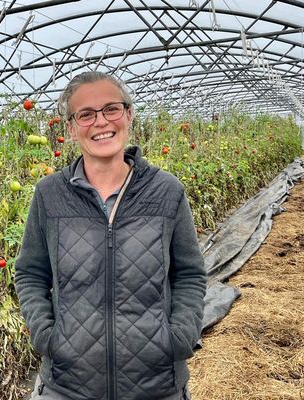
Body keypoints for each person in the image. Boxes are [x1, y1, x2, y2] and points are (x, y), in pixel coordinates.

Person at [14, 71, 207, 400]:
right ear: (72, 129)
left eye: (111, 109)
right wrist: (48, 336)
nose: (101, 122)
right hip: (66, 385)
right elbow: (30, 272)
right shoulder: (50, 195)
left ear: (128, 115)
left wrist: (178, 336)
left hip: (156, 385)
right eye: (86, 114)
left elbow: (189, 273)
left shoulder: (166, 192)